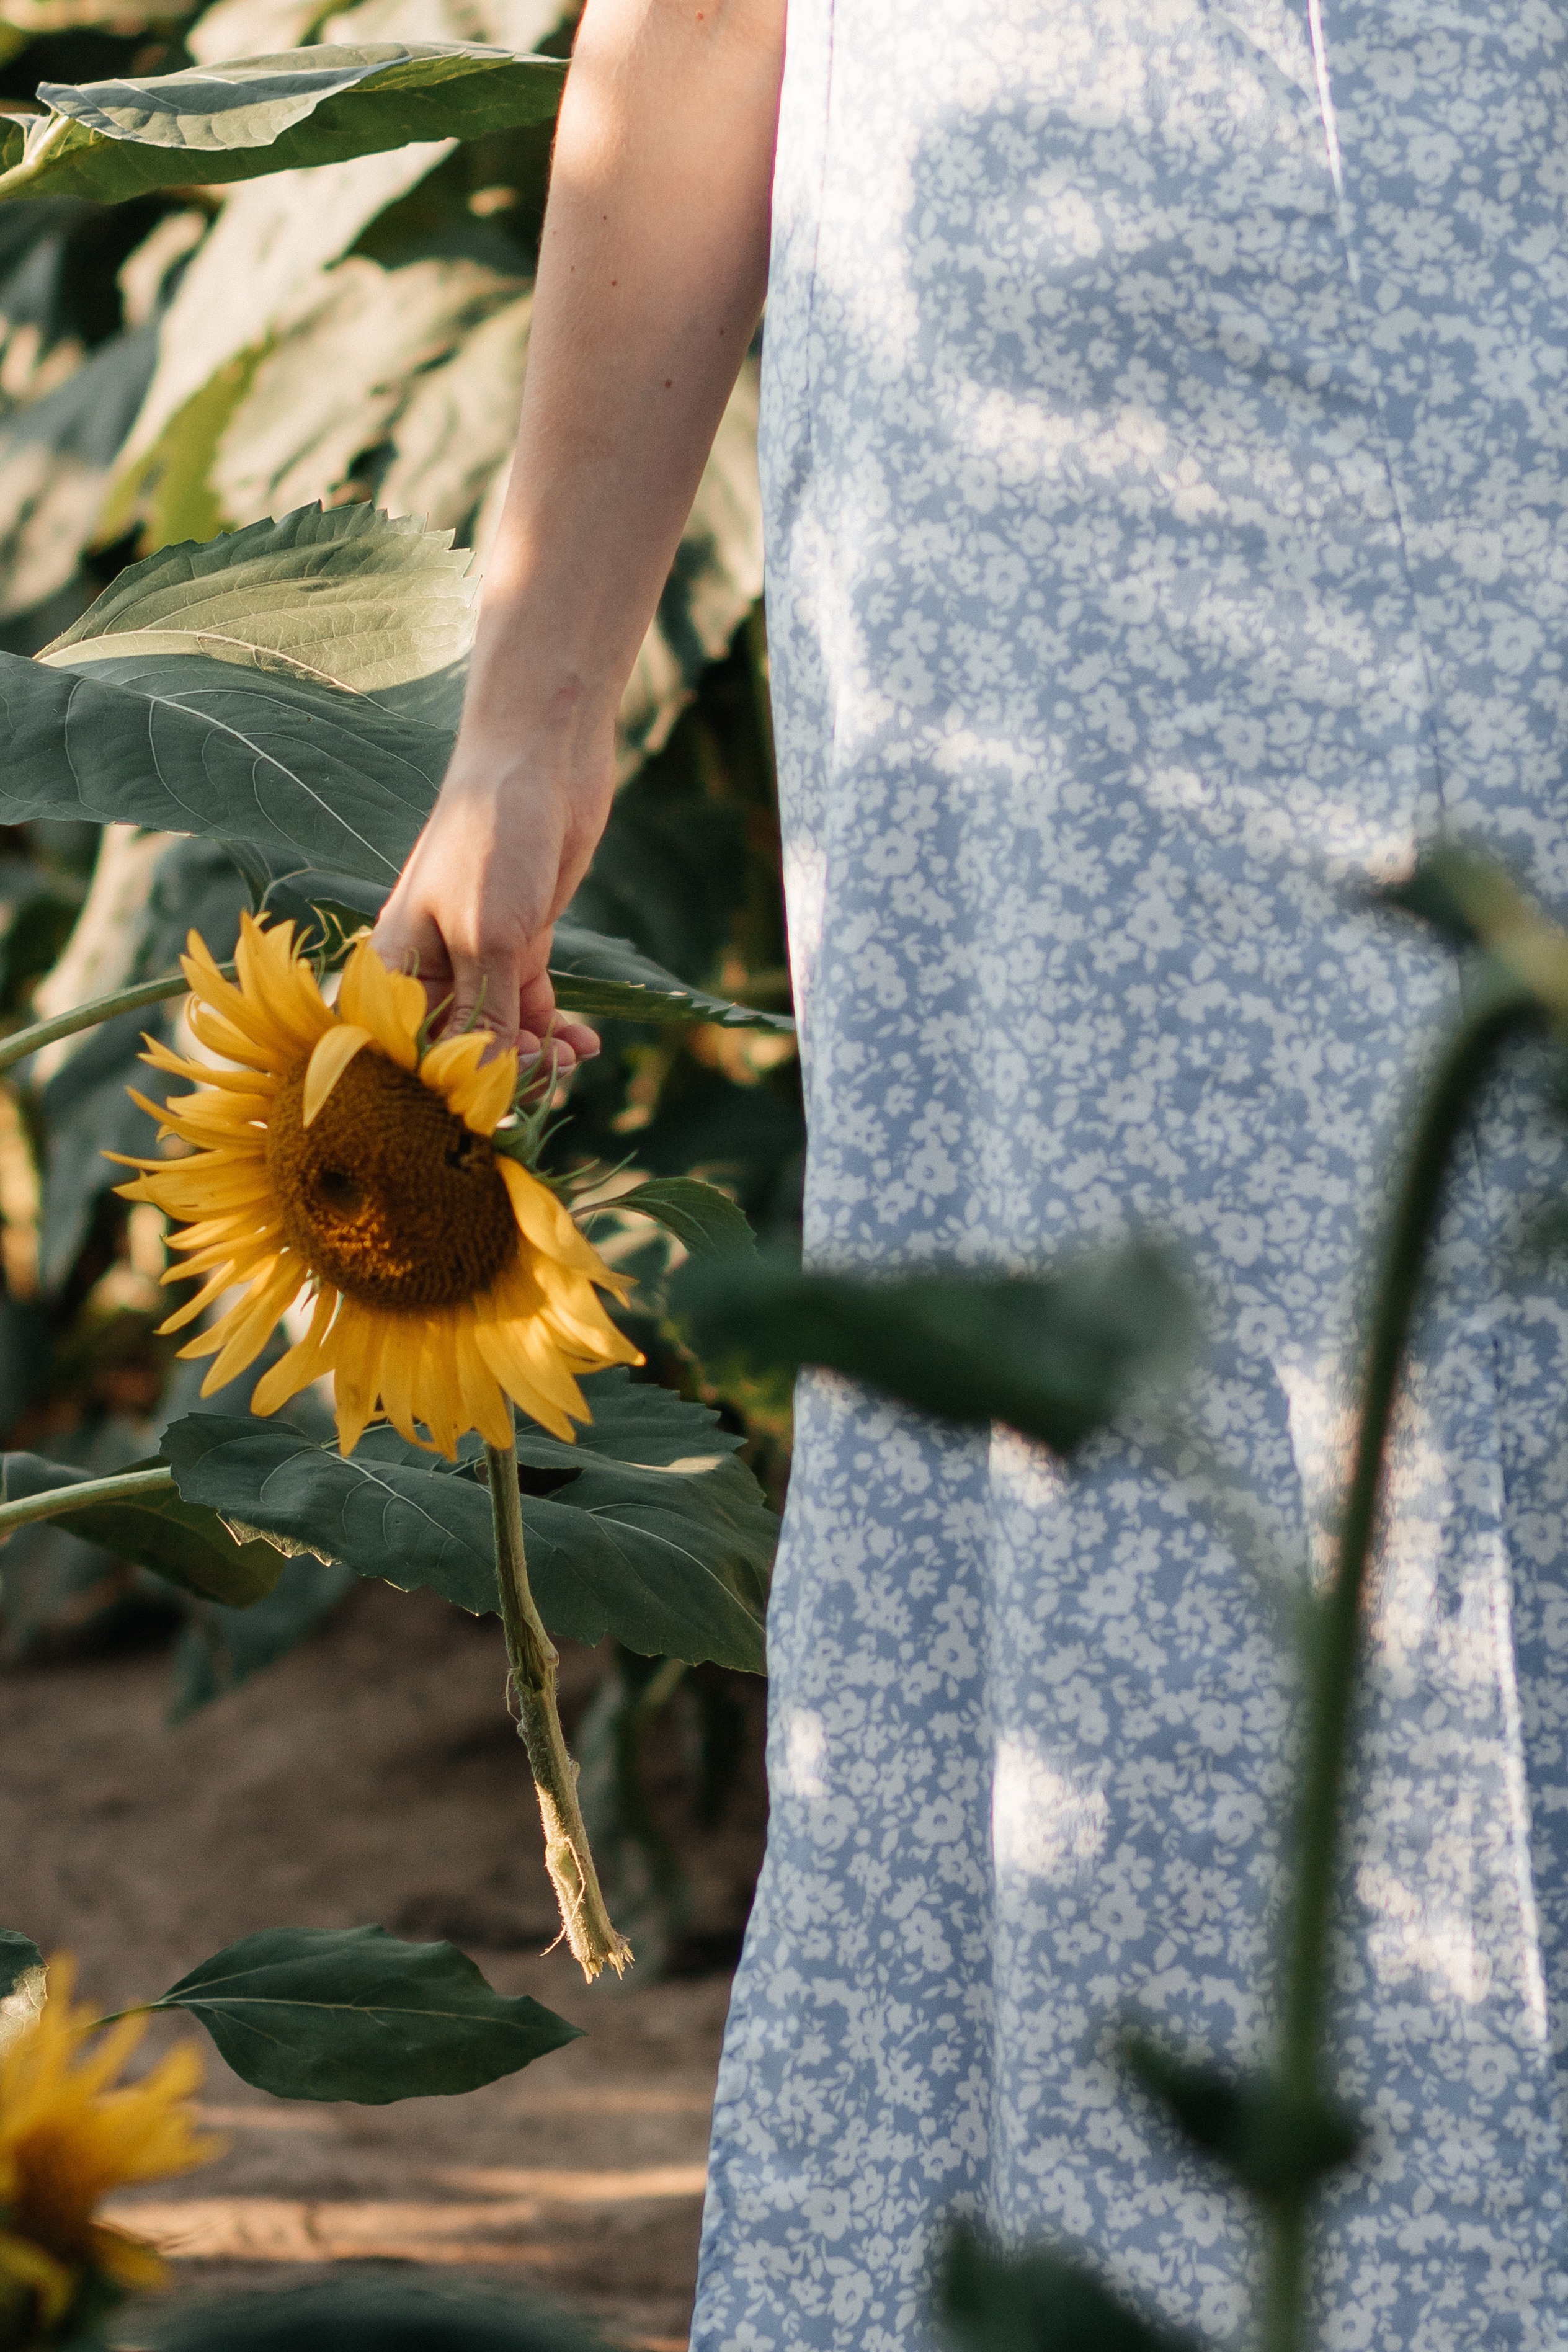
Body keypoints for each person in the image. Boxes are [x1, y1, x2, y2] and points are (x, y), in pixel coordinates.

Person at [373, 0, 1568, 2342]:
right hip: (1070, 466)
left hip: (1167, 394)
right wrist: (523, 705)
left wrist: (533, 713)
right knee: (1149, 1493)